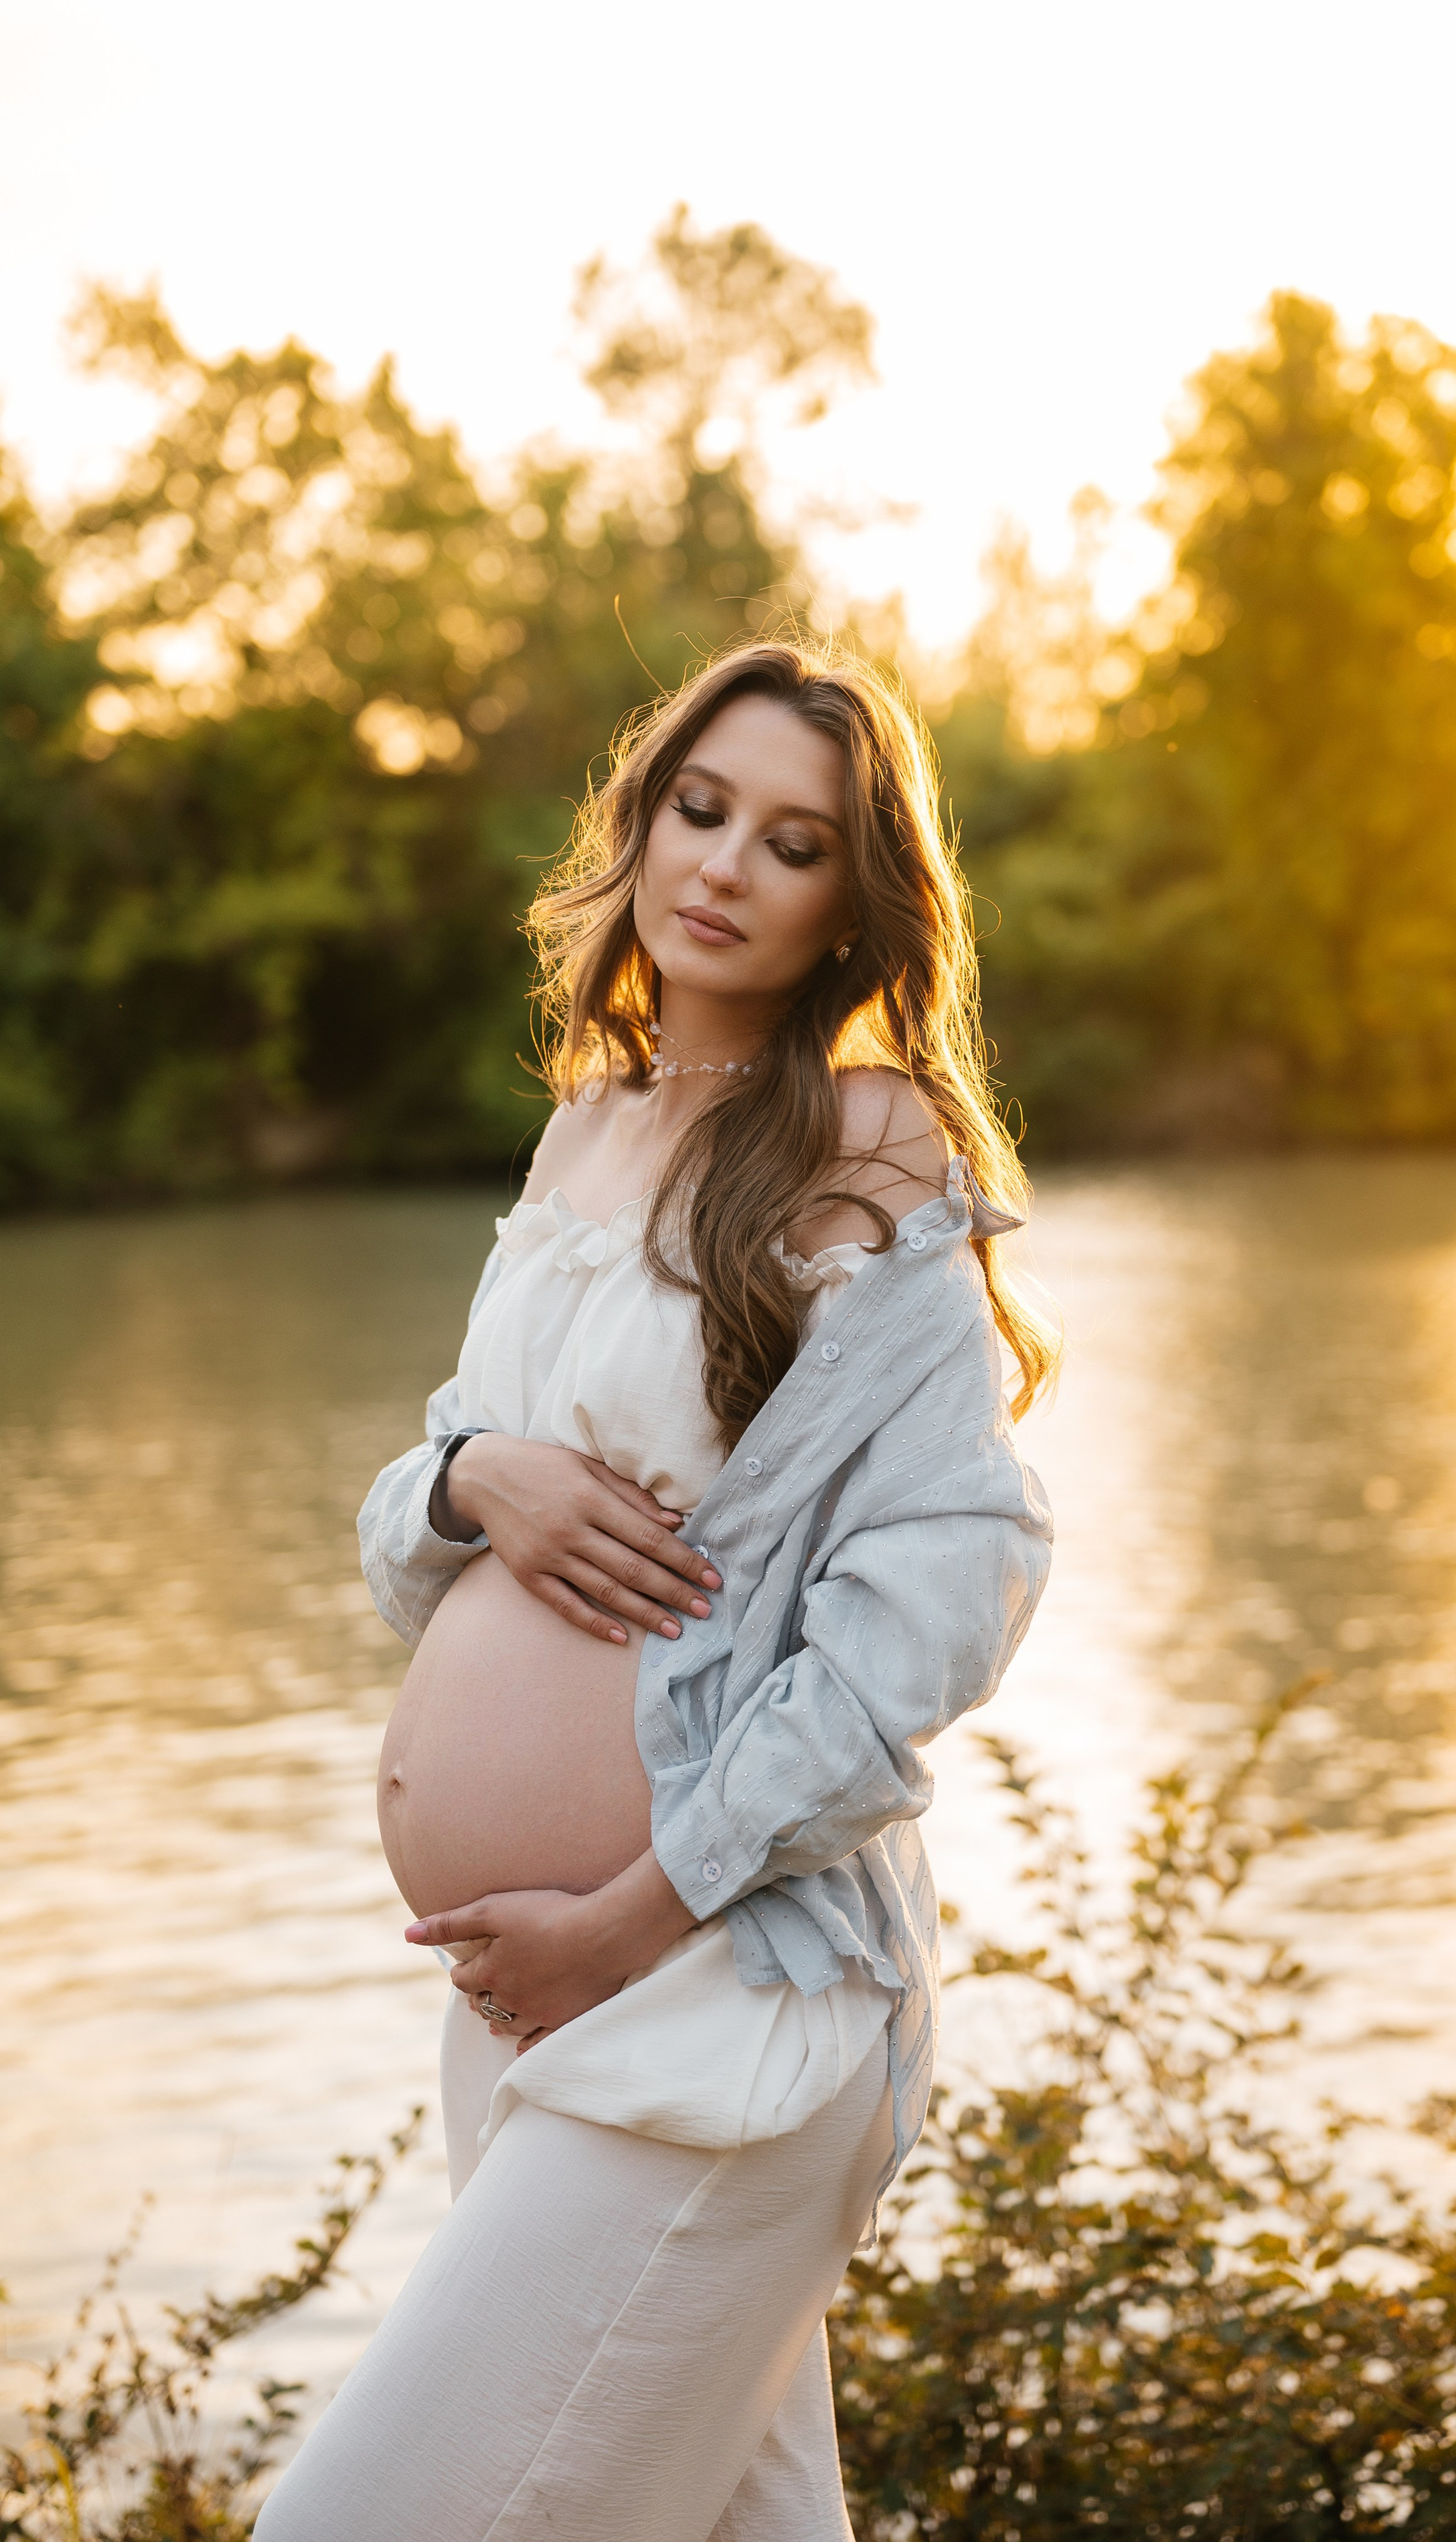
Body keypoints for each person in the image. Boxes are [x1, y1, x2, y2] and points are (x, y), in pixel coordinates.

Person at [254, 637, 1056, 2542]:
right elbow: (411, 1530)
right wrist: (476, 1478)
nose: (723, 866)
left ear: (849, 911)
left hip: (718, 1994)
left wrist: (638, 1908)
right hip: (529, 1994)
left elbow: (952, 1582)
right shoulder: (588, 1122)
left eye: (791, 845)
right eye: (701, 809)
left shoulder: (862, 1149)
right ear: (639, 818)